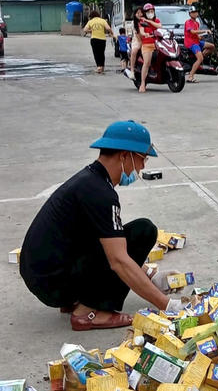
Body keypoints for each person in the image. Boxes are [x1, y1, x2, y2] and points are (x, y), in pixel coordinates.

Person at [19, 120, 178, 330]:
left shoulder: (90, 180)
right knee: (143, 231)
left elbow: (105, 238)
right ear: (125, 155)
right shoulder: (101, 194)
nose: (142, 167)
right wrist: (167, 306)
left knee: (117, 237)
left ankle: (75, 301)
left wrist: (149, 275)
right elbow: (118, 260)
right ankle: (89, 313)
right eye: (142, 159)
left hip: (42, 276)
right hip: (53, 285)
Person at [133, 4, 162, 93]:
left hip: (158, 44)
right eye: (148, 12)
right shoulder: (142, 21)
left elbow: (159, 26)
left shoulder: (156, 20)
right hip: (147, 44)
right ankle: (142, 84)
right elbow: (141, 31)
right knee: (147, 63)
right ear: (145, 13)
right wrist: (145, 34)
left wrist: (149, 21)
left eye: (152, 11)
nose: (150, 13)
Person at [184, 5, 213, 82]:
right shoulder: (188, 22)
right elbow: (192, 31)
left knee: (212, 46)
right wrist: (205, 31)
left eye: (196, 12)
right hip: (191, 43)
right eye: (193, 12)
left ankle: (200, 59)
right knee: (200, 58)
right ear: (190, 14)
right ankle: (190, 77)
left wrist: (201, 37)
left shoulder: (197, 23)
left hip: (197, 41)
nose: (195, 14)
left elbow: (195, 34)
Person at [82, 9, 113, 74]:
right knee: (102, 53)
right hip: (102, 39)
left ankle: (99, 67)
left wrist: (91, 31)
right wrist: (111, 33)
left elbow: (85, 30)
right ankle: (102, 67)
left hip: (94, 39)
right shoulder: (103, 20)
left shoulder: (90, 21)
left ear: (91, 16)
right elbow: (108, 28)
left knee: (96, 53)